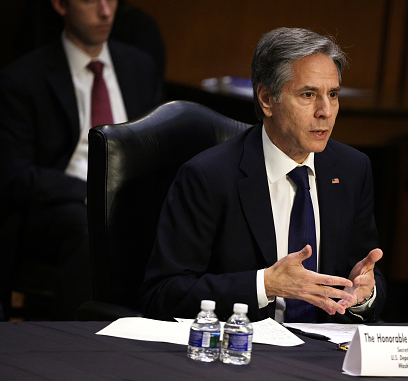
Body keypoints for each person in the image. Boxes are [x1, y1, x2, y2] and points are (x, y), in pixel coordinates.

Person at [142, 27, 387, 323]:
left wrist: (364, 294)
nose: (325, 111)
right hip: (246, 351)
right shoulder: (208, 177)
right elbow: (164, 295)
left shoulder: (351, 169)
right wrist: (265, 285)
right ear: (267, 99)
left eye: (332, 95)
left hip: (326, 354)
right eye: (308, 94)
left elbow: (366, 274)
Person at [0, 0, 162, 320]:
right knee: (88, 226)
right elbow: (15, 175)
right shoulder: (22, 79)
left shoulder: (139, 67)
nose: (105, 11)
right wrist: (91, 194)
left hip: (133, 202)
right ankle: (77, 341)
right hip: (61, 205)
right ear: (60, 3)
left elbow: (162, 151)